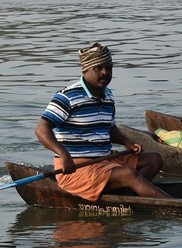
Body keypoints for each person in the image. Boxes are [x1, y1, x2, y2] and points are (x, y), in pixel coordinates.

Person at [34, 43, 170, 200]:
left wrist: (127, 142)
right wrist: (63, 154)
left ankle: (126, 197)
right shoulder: (67, 97)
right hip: (77, 169)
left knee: (154, 160)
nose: (104, 72)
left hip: (106, 160)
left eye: (108, 68)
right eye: (98, 68)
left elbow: (110, 128)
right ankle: (177, 204)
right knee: (129, 174)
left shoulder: (108, 96)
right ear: (86, 70)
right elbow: (41, 130)